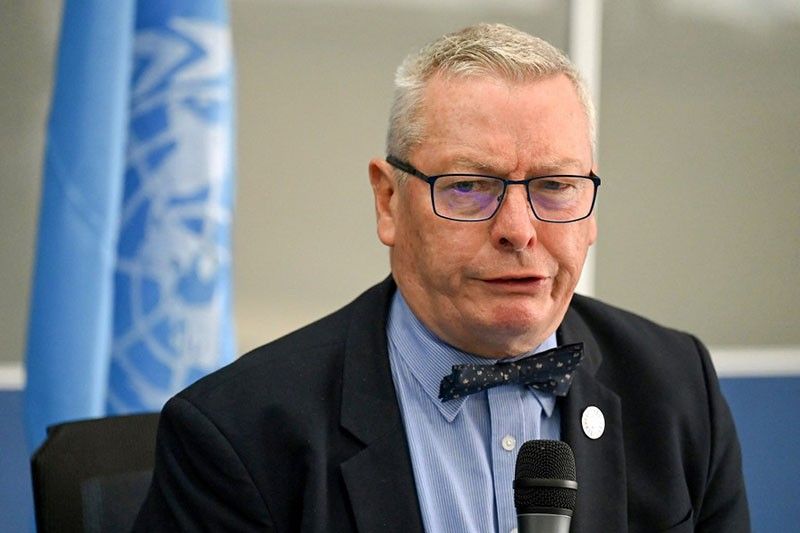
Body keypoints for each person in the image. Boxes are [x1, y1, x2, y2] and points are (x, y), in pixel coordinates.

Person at [133, 23, 749, 532]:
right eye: (470, 186)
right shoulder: (239, 433)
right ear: (388, 202)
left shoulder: (677, 388)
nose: (518, 229)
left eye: (555, 187)